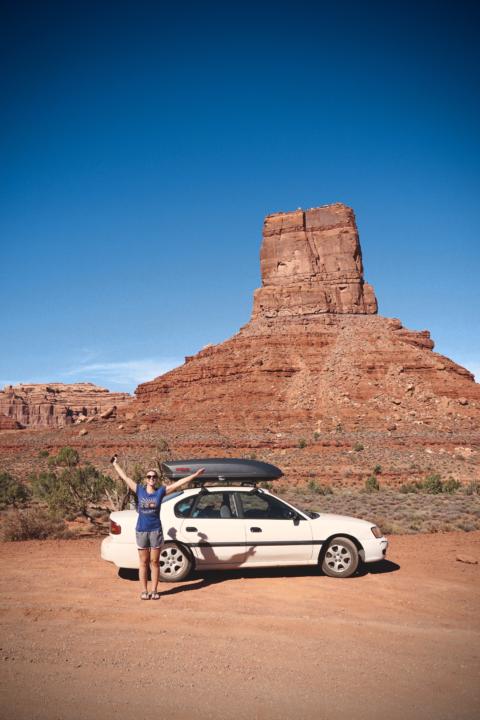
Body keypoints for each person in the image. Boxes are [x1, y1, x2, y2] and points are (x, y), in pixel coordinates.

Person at [111, 455, 204, 600]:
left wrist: (195, 475)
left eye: (154, 477)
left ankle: (154, 590)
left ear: (156, 479)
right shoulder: (139, 490)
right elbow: (125, 478)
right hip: (141, 530)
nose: (151, 479)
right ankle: (144, 590)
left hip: (155, 530)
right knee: (143, 562)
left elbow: (178, 484)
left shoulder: (160, 492)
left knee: (154, 562)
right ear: (145, 479)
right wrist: (115, 465)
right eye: (149, 476)